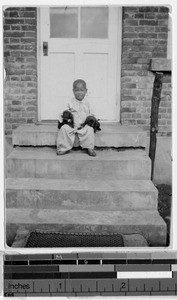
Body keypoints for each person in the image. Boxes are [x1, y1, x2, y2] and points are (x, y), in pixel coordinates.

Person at [56, 79, 97, 157]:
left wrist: (90, 118)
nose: (79, 92)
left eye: (81, 90)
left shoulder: (89, 103)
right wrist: (66, 115)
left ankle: (89, 148)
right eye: (76, 90)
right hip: (72, 126)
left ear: (86, 91)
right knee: (64, 128)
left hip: (84, 126)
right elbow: (63, 113)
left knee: (90, 130)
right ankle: (63, 148)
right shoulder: (69, 102)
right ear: (73, 91)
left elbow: (93, 114)